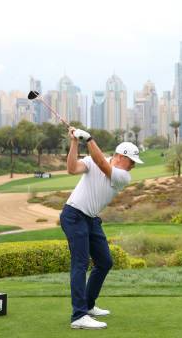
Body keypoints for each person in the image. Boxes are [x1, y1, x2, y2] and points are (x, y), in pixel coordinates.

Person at [60, 126, 143, 329]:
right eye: (132, 161)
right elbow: (72, 168)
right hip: (74, 215)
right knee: (80, 264)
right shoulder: (94, 160)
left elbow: (103, 165)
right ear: (121, 157)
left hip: (91, 219)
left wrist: (89, 139)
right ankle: (78, 316)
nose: (133, 166)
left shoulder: (123, 176)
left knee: (104, 262)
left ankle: (88, 305)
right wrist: (74, 142)